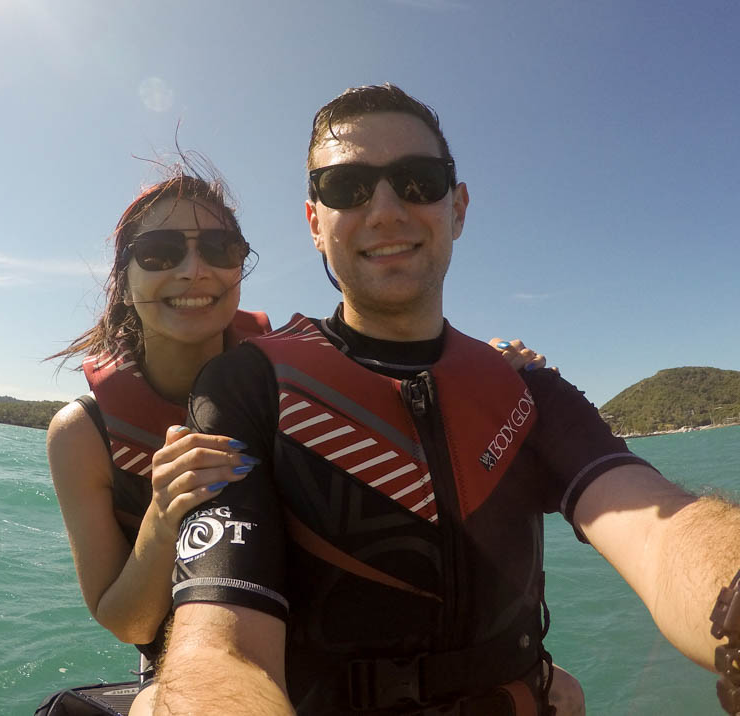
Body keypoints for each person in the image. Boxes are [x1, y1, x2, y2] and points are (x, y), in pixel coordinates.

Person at [151, 84, 740, 716]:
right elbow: (219, 643)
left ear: (460, 207)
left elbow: (659, 524)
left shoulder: (525, 391)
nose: (385, 209)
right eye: (347, 188)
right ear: (315, 222)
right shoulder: (251, 386)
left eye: (418, 180)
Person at [45, 166, 554, 715]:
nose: (194, 271)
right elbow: (127, 621)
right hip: (195, 659)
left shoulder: (304, 364)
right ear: (124, 276)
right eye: (161, 252)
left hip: (335, 651)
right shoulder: (83, 434)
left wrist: (482, 374)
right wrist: (163, 516)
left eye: (220, 248)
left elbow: (408, 381)